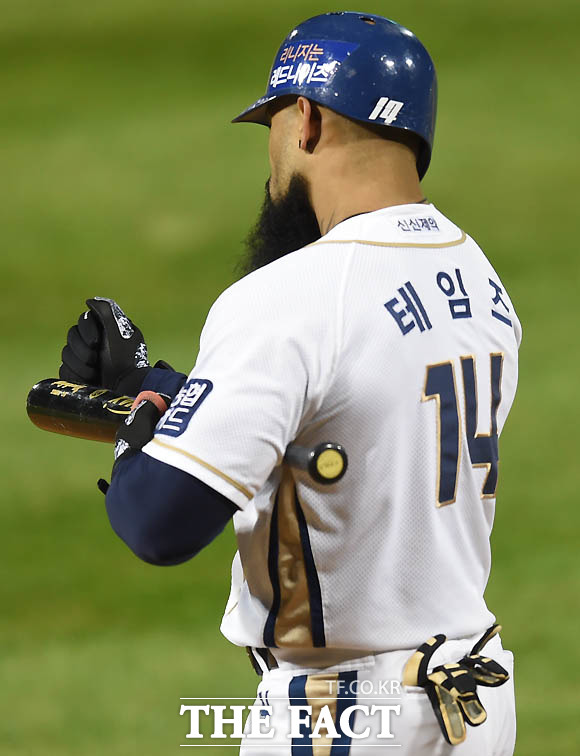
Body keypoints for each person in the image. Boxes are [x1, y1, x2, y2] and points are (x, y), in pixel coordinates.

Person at [59, 12, 520, 754]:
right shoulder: (476, 277)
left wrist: (135, 422)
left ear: (305, 119)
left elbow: (156, 524)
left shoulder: (294, 294)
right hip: (468, 699)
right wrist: (164, 384)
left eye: (272, 125)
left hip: (345, 718)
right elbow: (350, 419)